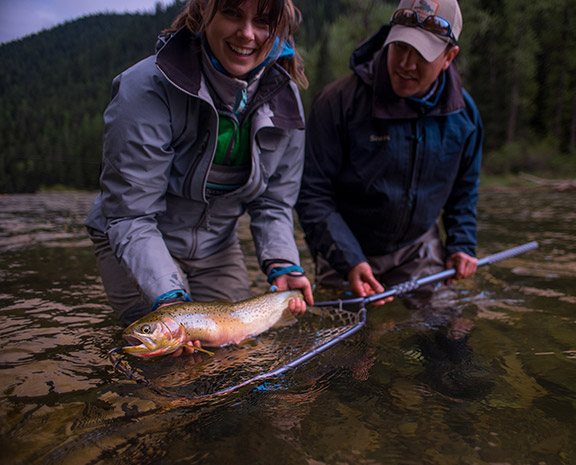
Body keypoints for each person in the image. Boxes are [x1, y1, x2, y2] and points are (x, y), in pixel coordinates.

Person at [85, 0, 314, 352]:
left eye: (264, 21)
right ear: (204, 14)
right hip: (137, 233)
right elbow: (132, 213)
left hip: (216, 245)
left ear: (278, 30)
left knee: (234, 354)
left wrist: (283, 263)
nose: (248, 34)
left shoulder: (285, 101)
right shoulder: (145, 87)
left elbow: (273, 202)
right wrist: (170, 298)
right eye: (232, 13)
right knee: (163, 360)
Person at [296, 0, 483, 304]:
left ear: (449, 57)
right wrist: (349, 259)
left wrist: (462, 244)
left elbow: (464, 191)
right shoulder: (337, 103)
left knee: (447, 338)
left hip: (418, 250)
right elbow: (312, 194)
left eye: (422, 54)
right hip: (345, 247)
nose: (406, 64)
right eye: (401, 47)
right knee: (349, 349)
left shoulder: (464, 116)